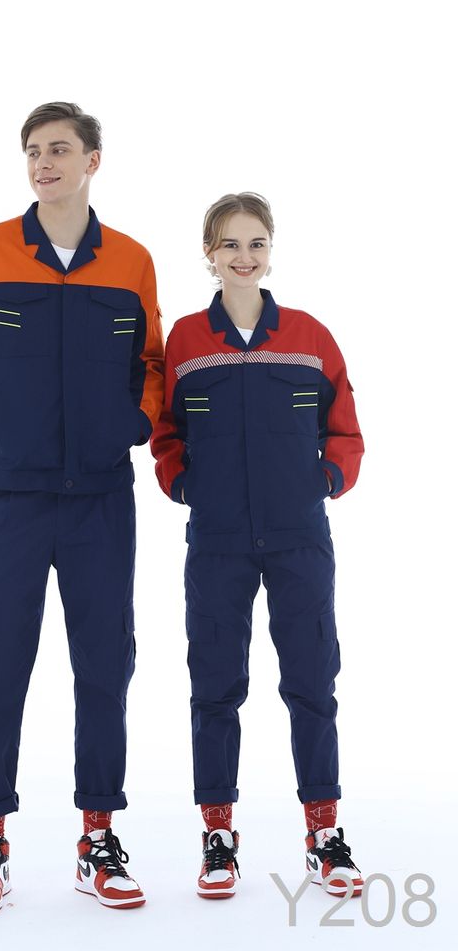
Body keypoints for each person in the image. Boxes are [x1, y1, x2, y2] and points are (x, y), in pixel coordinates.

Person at [0, 102, 164, 913]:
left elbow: (153, 361)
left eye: (59, 149)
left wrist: (138, 421)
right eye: (32, 151)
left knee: (105, 666)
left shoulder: (130, 261)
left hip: (102, 500)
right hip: (12, 499)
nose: (42, 163)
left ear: (94, 160)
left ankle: (98, 838)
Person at [150, 192, 364, 900]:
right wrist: (184, 484)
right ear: (208, 254)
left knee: (312, 681)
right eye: (231, 244)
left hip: (300, 537)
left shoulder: (309, 335)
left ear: (271, 251)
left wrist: (326, 480)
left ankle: (324, 833)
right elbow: (166, 431)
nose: (245, 257)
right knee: (215, 685)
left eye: (257, 243)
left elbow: (345, 428)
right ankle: (218, 835)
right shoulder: (186, 341)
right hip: (218, 539)